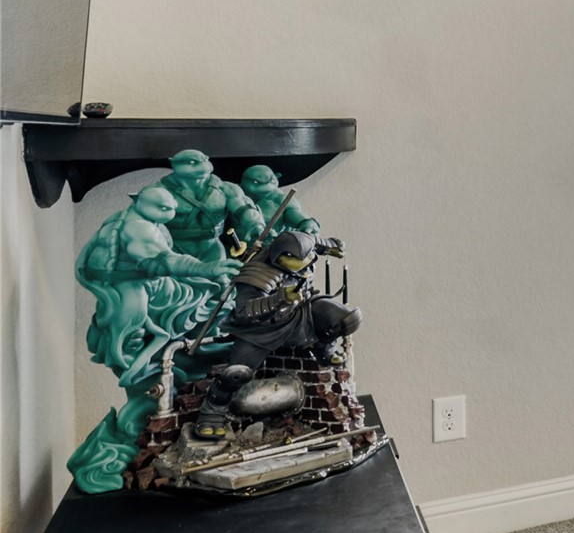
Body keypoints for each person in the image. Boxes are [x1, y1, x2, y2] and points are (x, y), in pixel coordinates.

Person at [68, 186, 240, 492]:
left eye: (173, 208)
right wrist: (205, 268)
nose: (172, 215)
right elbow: (161, 260)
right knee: (136, 355)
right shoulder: (136, 228)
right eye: (164, 209)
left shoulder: (153, 223)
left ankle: (179, 365)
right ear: (139, 203)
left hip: (153, 286)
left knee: (207, 296)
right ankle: (144, 381)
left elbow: (169, 262)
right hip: (130, 292)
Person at [191, 230, 360, 443]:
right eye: (299, 261)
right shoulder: (260, 273)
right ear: (282, 258)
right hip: (261, 330)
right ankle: (212, 414)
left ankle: (324, 349)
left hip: (302, 311)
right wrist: (279, 298)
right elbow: (244, 312)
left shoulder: (304, 249)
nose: (307, 263)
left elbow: (316, 242)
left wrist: (333, 245)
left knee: (344, 319)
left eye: (308, 258)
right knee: (237, 373)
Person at [155, 150, 262, 265]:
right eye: (192, 162)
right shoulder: (158, 192)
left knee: (222, 280)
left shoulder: (225, 188)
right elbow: (137, 220)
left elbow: (243, 208)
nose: (202, 165)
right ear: (174, 164)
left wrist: (256, 225)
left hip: (213, 249)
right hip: (175, 252)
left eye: (204, 159)